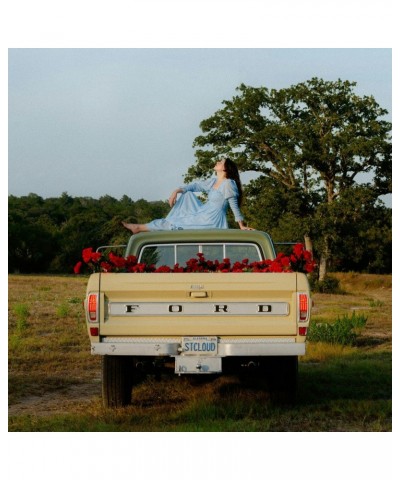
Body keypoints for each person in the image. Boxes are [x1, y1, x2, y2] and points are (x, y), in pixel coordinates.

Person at [122, 158, 253, 233]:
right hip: (203, 213)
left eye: (220, 162)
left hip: (211, 219)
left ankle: (138, 228)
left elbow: (234, 206)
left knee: (172, 224)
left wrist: (241, 226)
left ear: (225, 168)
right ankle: (144, 226)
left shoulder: (228, 184)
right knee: (187, 194)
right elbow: (195, 186)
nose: (217, 162)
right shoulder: (213, 182)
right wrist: (177, 190)